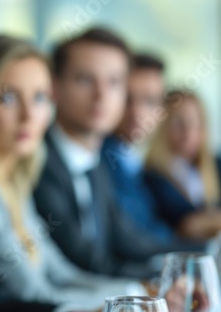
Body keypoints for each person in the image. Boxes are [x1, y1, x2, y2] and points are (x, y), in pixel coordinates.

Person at [0, 35, 147, 310]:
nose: (29, 115)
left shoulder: (15, 184)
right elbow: (35, 295)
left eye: (39, 98)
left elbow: (62, 274)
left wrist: (136, 292)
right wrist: (132, 298)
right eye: (8, 97)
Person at [33, 28, 190, 278]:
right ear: (55, 87)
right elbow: (84, 261)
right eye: (85, 79)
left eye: (114, 82)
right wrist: (154, 280)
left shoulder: (96, 165)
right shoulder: (36, 162)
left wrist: (202, 253)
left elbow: (131, 241)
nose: (101, 95)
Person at [102, 54, 206, 247]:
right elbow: (131, 239)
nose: (137, 112)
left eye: (149, 101)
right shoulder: (103, 159)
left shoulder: (133, 163)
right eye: (127, 99)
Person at [144, 90, 221, 240]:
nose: (188, 132)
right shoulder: (152, 176)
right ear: (163, 126)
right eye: (179, 123)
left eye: (195, 122)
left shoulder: (216, 165)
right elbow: (185, 226)